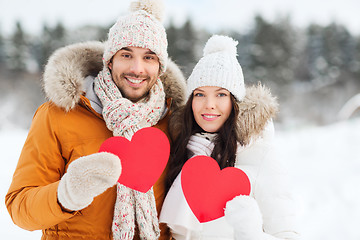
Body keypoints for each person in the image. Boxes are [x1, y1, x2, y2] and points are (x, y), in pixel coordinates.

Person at [5, 0, 186, 239]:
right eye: (126, 54)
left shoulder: (173, 122)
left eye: (149, 57)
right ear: (109, 60)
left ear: (160, 66)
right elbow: (20, 208)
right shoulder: (58, 115)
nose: (137, 68)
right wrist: (67, 194)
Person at [159, 35, 300, 239]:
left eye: (221, 94)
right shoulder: (182, 151)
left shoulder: (260, 155)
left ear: (235, 101)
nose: (209, 104)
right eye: (199, 94)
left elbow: (288, 234)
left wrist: (251, 234)